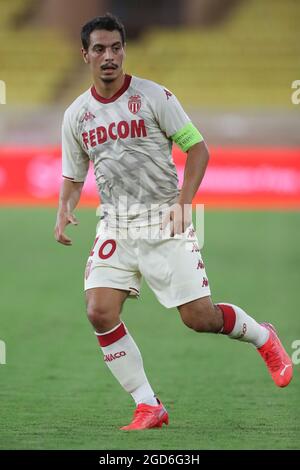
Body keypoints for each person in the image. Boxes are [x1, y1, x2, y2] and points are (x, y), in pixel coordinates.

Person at [54, 13, 293, 431]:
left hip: (165, 218)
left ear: (124, 51)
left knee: (199, 318)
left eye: (115, 48)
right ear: (85, 55)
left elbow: (197, 149)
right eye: (99, 49)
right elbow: (74, 176)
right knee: (98, 310)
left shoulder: (154, 97)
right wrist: (64, 207)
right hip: (116, 225)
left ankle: (263, 337)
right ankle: (148, 405)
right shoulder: (76, 115)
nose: (108, 57)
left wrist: (184, 203)